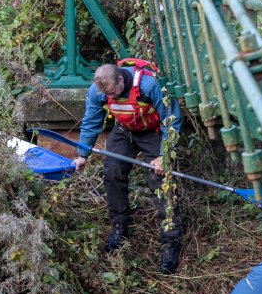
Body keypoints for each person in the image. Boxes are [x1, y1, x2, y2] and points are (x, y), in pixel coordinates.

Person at [72, 58, 183, 274]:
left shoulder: (149, 85)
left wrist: (165, 155)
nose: (111, 98)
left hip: (154, 132)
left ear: (121, 79)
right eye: (108, 96)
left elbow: (172, 120)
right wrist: (82, 154)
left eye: (114, 93)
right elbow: (92, 121)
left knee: (160, 179)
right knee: (112, 172)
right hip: (124, 130)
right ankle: (119, 225)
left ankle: (170, 241)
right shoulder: (98, 91)